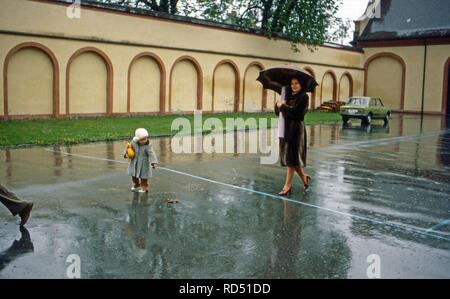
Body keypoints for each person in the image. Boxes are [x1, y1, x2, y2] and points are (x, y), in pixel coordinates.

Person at [275, 77, 311, 195]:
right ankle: (304, 178)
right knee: (292, 158)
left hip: (296, 130)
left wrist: (283, 106)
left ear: (301, 85)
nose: (293, 86)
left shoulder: (304, 97)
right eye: (292, 84)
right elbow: (278, 113)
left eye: (296, 83)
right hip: (286, 128)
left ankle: (287, 186)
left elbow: (297, 113)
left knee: (291, 159)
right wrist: (278, 104)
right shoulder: (288, 96)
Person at [124, 128, 158, 193]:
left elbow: (151, 153)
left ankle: (144, 188)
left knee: (144, 177)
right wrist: (126, 154)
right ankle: (136, 184)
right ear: (137, 139)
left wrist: (154, 162)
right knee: (133, 175)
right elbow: (128, 148)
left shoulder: (147, 145)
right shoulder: (133, 143)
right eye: (142, 140)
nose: (144, 141)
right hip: (134, 162)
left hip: (144, 163)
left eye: (145, 139)